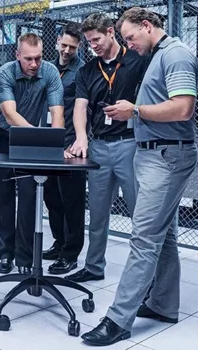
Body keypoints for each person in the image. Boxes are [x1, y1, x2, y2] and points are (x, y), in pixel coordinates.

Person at [81, 8, 198, 346]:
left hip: (166, 155)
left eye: (131, 37)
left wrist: (133, 110)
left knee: (144, 239)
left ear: (147, 26)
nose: (128, 44)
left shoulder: (174, 55)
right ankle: (162, 304)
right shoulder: (159, 55)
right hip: (154, 152)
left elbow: (183, 108)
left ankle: (118, 320)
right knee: (165, 236)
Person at [66, 13, 146, 283]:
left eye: (97, 39)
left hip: (130, 145)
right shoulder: (87, 71)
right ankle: (93, 266)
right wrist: (81, 137)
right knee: (98, 215)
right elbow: (80, 107)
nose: (94, 46)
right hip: (99, 147)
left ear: (111, 32)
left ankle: (148, 277)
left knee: (140, 214)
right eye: (89, 42)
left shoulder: (138, 61)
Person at [0, 33, 64, 275]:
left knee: (30, 197)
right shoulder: (5, 73)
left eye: (38, 58)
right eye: (28, 59)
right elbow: (9, 113)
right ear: (17, 55)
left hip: (31, 142)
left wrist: (55, 142)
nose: (34, 64)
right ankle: (6, 254)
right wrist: (38, 136)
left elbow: (57, 112)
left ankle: (23, 258)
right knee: (3, 198)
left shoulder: (50, 72)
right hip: (4, 137)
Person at [41, 23, 86, 275]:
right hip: (48, 144)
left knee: (72, 201)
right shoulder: (47, 68)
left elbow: (84, 110)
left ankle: (71, 254)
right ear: (57, 41)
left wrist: (78, 141)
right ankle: (59, 243)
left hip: (70, 145)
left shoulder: (81, 71)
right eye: (64, 45)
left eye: (73, 47)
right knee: (52, 198)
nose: (67, 50)